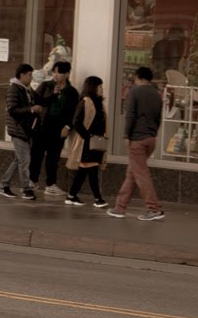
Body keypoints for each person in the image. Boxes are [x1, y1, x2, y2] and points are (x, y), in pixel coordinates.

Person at [110, 65, 164, 220]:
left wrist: (127, 135)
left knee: (140, 174)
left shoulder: (134, 92)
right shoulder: (156, 94)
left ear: (138, 77)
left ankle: (154, 208)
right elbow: (158, 117)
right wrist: (153, 132)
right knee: (133, 173)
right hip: (151, 138)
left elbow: (130, 115)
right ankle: (120, 208)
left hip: (138, 139)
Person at [30, 59, 77, 196]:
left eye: (59, 73)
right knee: (36, 155)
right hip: (42, 125)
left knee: (53, 158)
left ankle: (51, 185)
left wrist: (68, 127)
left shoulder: (72, 92)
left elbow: (74, 113)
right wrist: (52, 95)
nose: (55, 75)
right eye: (54, 72)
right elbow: (36, 102)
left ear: (67, 74)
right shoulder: (45, 86)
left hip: (58, 128)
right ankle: (32, 181)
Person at [0, 63, 40, 201]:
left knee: (19, 160)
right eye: (29, 75)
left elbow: (38, 100)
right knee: (25, 161)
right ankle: (26, 189)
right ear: (21, 75)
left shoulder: (26, 89)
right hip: (18, 129)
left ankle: (3, 185)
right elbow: (12, 110)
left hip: (26, 129)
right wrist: (31, 109)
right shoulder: (14, 89)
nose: (31, 78)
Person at [63, 76, 108, 208]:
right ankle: (98, 199)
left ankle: (71, 195)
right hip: (87, 143)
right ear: (93, 88)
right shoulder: (85, 102)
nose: (102, 89)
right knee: (92, 170)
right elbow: (76, 122)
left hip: (96, 142)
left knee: (83, 171)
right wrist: (87, 136)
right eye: (100, 87)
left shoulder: (99, 103)